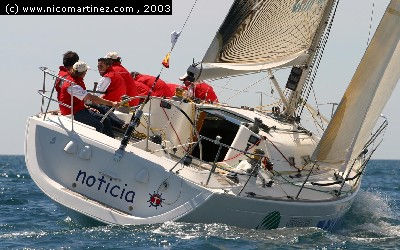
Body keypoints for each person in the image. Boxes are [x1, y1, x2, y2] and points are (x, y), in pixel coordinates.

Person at [58, 61, 119, 138]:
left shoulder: (76, 80)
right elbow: (91, 97)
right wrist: (112, 103)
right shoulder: (72, 85)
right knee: (98, 125)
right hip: (73, 112)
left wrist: (87, 107)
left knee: (105, 119)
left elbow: (79, 99)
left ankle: (112, 140)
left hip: (79, 109)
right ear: (83, 73)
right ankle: (98, 143)